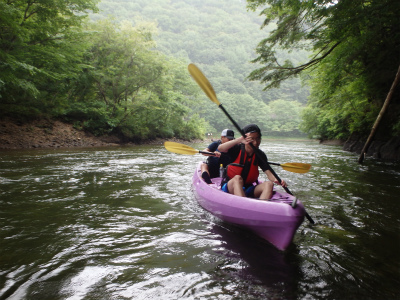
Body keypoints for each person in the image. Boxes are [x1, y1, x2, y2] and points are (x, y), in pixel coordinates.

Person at [218, 124, 287, 200]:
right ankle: (243, 206)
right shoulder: (236, 149)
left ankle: (260, 207)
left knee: (269, 184)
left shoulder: (260, 155)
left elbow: (269, 173)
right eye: (252, 139)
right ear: (245, 139)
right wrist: (238, 140)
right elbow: (220, 148)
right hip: (230, 187)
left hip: (248, 188)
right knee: (238, 178)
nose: (255, 142)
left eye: (258, 138)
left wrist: (276, 180)